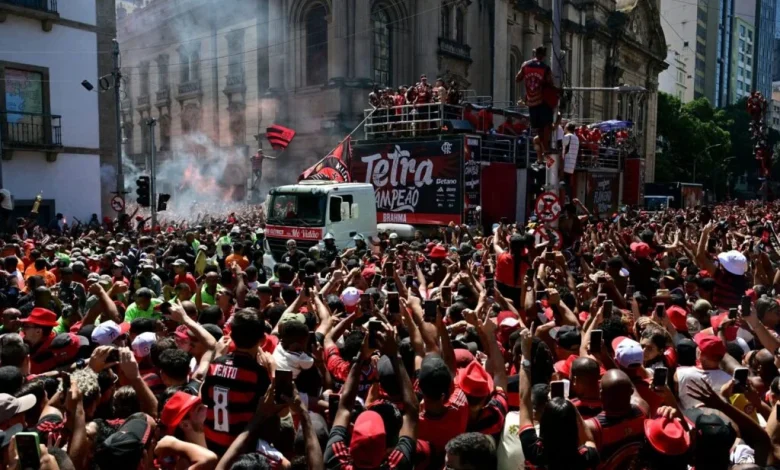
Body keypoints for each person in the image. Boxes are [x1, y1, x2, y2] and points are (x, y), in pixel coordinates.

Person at [516, 46, 557, 171]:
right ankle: (547, 153)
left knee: (537, 130)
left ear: (534, 53)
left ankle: (544, 156)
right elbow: (550, 83)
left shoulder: (525, 65)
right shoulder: (545, 68)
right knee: (546, 127)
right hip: (543, 101)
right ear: (544, 55)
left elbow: (517, 78)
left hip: (531, 102)